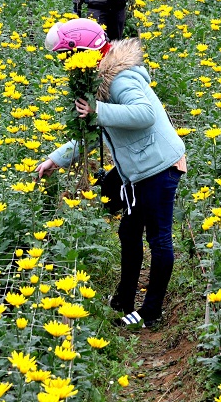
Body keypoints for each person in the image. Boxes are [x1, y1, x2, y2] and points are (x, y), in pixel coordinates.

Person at [36, 19, 187, 329]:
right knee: (129, 232)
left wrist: (98, 111)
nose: (66, 65)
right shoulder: (101, 82)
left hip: (159, 167)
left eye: (68, 56)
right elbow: (102, 134)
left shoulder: (120, 79)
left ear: (83, 52)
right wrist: (57, 159)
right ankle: (124, 299)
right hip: (139, 169)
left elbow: (143, 114)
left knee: (159, 239)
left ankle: (150, 312)